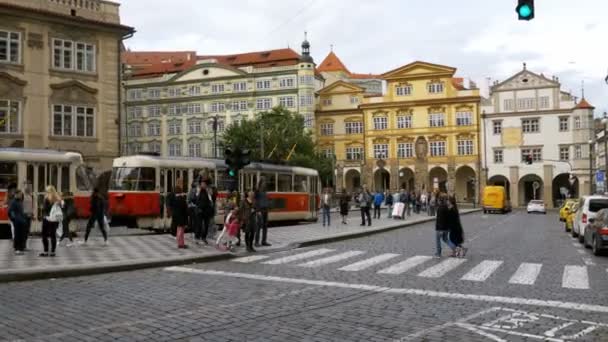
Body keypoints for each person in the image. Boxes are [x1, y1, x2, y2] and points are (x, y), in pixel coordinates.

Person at [40, 186, 62, 257]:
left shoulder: (46, 199)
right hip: (55, 220)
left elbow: (45, 209)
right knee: (53, 235)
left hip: (47, 219)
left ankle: (46, 251)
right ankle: (53, 252)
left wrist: (42, 211)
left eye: (46, 191)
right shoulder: (58, 199)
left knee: (44, 235)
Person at [434, 193, 457, 258]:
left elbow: (440, 219)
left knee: (438, 240)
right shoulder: (448, 207)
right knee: (446, 239)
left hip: (440, 228)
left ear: (440, 200)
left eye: (439, 199)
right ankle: (454, 249)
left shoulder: (440, 208)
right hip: (447, 228)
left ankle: (438, 253)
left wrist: (440, 229)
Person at [196, 180, 214, 245]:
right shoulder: (198, 190)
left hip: (206, 211)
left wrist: (209, 192)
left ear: (206, 185)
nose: (203, 185)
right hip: (200, 210)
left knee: (206, 225)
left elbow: (211, 199)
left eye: (204, 184)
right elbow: (196, 198)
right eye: (202, 184)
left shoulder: (208, 191)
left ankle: (204, 237)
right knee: (199, 225)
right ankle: (197, 237)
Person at [8, 190, 27, 255]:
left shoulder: (20, 202)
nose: (21, 195)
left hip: (21, 221)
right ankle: (17, 249)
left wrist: (24, 218)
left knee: (21, 235)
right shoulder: (13, 202)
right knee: (17, 235)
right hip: (17, 221)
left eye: (21, 194)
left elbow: (21, 211)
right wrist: (14, 219)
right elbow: (11, 211)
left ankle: (21, 249)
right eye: (20, 194)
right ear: (16, 194)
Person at [254, 178, 271, 247]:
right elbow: (255, 201)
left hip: (265, 210)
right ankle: (256, 242)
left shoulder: (265, 191)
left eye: (265, 182)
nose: (265, 184)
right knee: (258, 226)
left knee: (265, 226)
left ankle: (264, 241)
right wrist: (257, 210)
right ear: (260, 183)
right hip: (260, 210)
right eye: (263, 182)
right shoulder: (257, 191)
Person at [22, 183, 34, 250]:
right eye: (27, 188)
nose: (28, 189)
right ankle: (22, 246)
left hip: (29, 216)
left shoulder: (30, 196)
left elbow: (30, 207)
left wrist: (32, 214)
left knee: (27, 232)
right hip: (24, 216)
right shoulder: (23, 196)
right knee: (24, 231)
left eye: (29, 188)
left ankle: (24, 246)